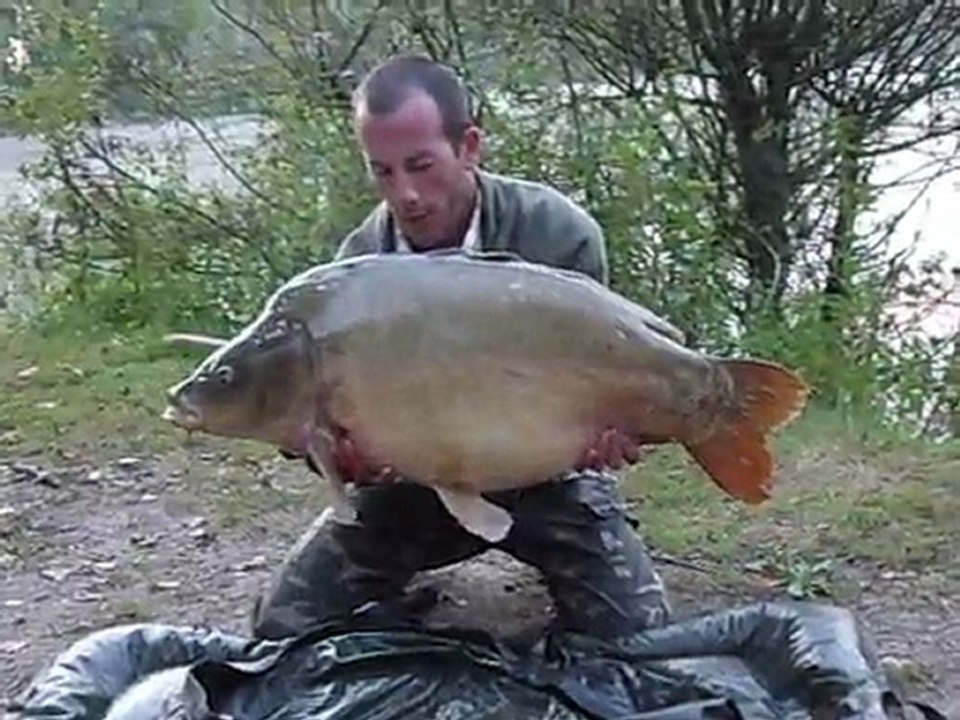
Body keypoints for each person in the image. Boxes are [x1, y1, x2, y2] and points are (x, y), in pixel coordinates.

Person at [250, 53, 671, 642]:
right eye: (383, 172)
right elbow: (315, 419)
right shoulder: (356, 271)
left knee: (637, 638)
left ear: (469, 147)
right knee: (283, 626)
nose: (406, 194)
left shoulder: (557, 233)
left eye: (421, 166)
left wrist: (607, 431)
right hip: (414, 487)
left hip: (548, 479)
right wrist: (337, 455)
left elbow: (596, 377)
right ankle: (398, 604)